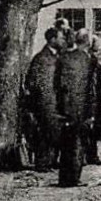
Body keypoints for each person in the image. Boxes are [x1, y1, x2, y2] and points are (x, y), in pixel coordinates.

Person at [54, 24, 100, 187]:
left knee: (66, 144)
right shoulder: (87, 60)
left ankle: (64, 177)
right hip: (80, 109)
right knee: (77, 145)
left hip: (65, 107)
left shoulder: (64, 57)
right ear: (87, 43)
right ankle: (73, 178)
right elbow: (91, 89)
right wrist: (91, 112)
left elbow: (57, 84)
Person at [21, 27, 64, 170]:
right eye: (60, 37)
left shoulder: (57, 57)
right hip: (45, 102)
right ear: (52, 40)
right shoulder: (41, 58)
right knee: (45, 132)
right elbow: (35, 82)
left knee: (56, 131)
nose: (62, 40)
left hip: (56, 101)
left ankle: (52, 160)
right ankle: (43, 162)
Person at [71, 28, 101, 166]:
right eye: (96, 43)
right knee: (84, 128)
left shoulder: (91, 59)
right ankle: (82, 157)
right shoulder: (82, 58)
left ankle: (91, 155)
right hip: (85, 99)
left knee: (92, 129)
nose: (99, 46)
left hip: (93, 99)